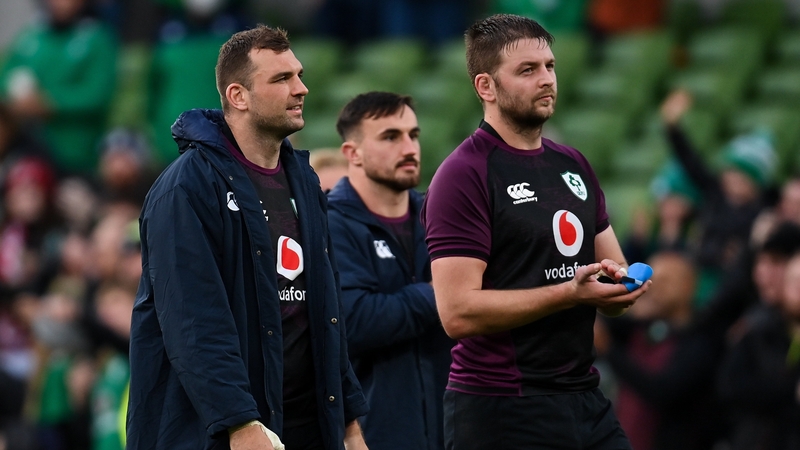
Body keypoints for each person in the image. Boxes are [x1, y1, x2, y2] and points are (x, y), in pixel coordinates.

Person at [127, 25, 368, 450]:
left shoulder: (305, 181)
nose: (302, 89)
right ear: (238, 96)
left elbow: (326, 312)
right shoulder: (186, 187)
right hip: (222, 433)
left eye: (298, 74)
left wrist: (348, 422)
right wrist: (240, 423)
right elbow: (194, 320)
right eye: (282, 79)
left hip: (306, 425)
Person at [421, 14, 651, 449]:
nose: (546, 79)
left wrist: (622, 285)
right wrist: (571, 292)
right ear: (486, 87)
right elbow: (456, 314)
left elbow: (611, 269)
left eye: (550, 66)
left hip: (584, 396)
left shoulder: (573, 164)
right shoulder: (463, 174)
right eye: (527, 70)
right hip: (502, 406)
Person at [327, 92, 453, 450]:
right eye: (390, 137)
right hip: (372, 433)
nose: (409, 146)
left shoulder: (441, 218)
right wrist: (444, 292)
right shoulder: (328, 225)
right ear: (352, 153)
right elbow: (354, 321)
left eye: (413, 135)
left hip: (455, 428)